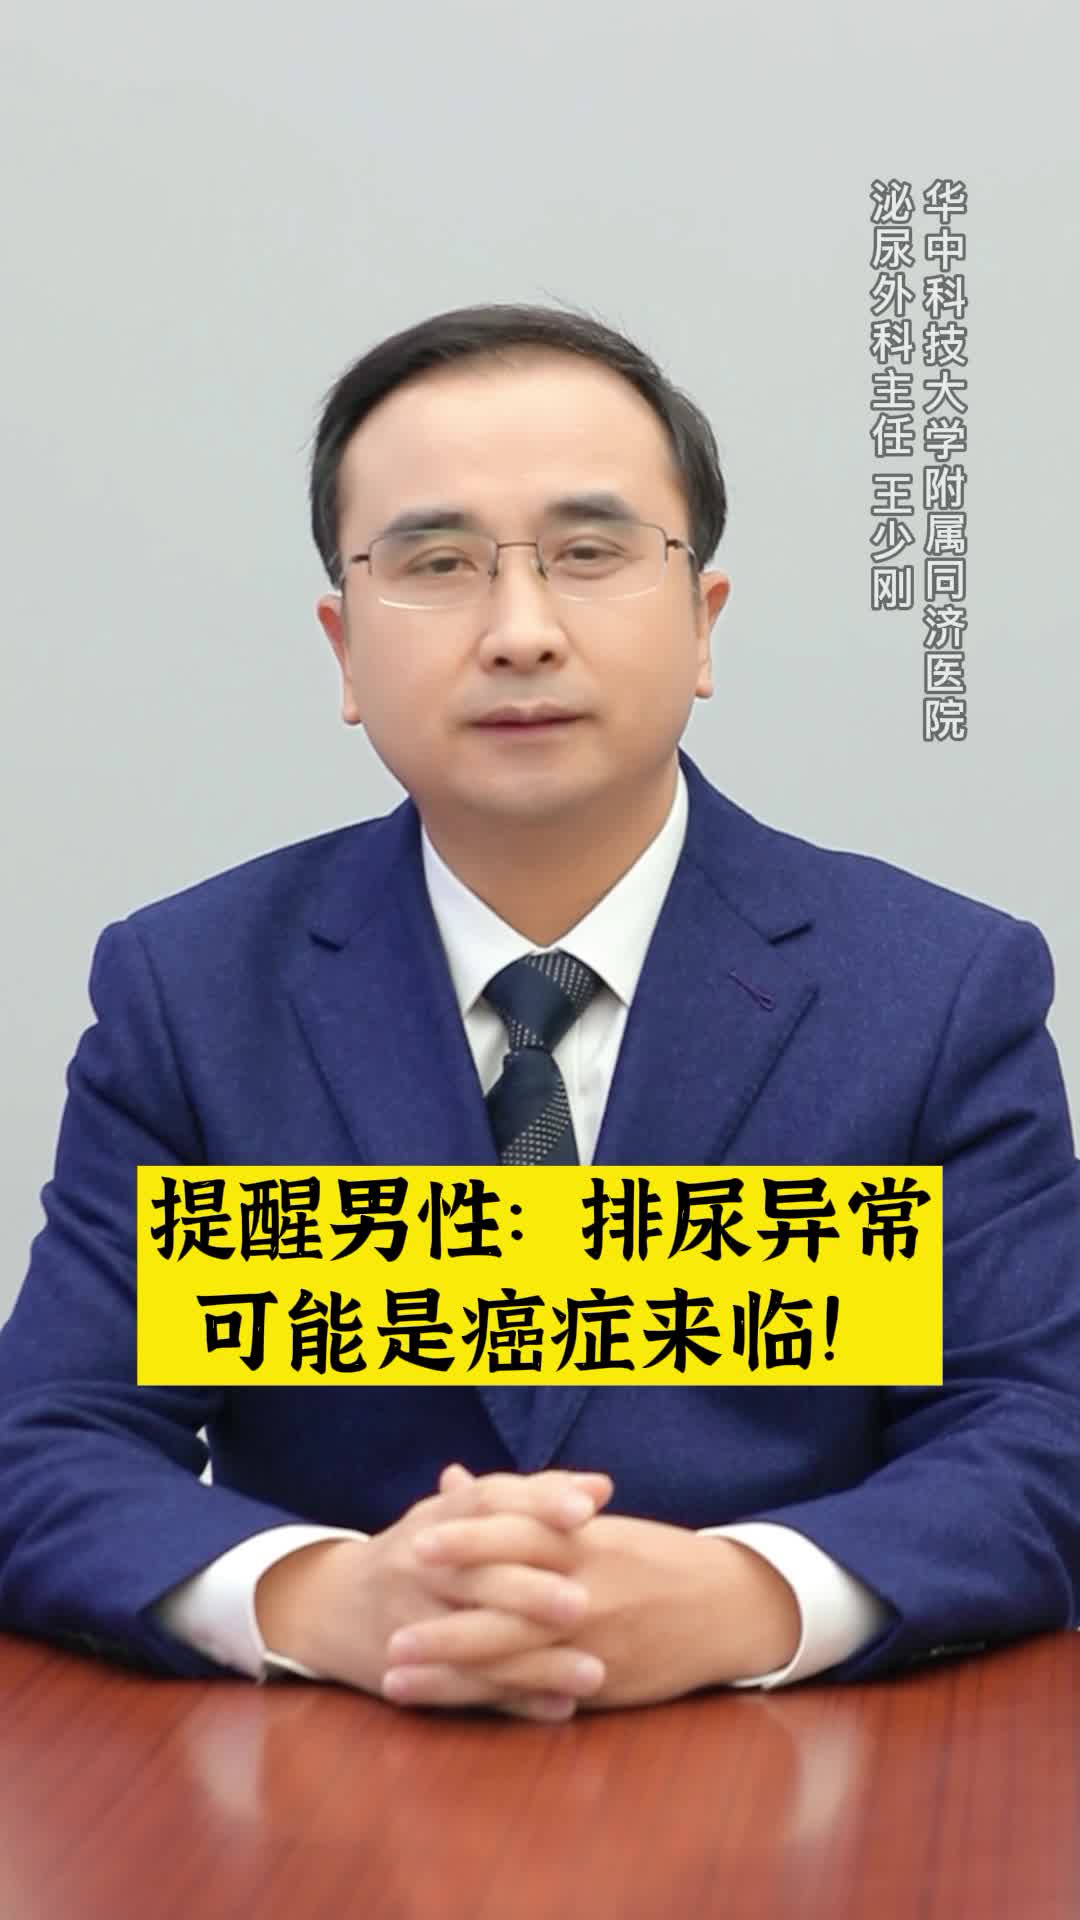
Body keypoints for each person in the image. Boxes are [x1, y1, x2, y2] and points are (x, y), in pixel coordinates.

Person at [1, 304, 1078, 1725]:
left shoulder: (935, 990)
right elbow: (49, 1444)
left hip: (811, 1766)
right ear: (342, 647)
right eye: (437, 565)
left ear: (704, 622)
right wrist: (326, 1598)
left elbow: (1037, 1435)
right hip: (327, 1764)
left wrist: (743, 1596)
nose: (520, 632)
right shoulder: (193, 992)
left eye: (589, 553)